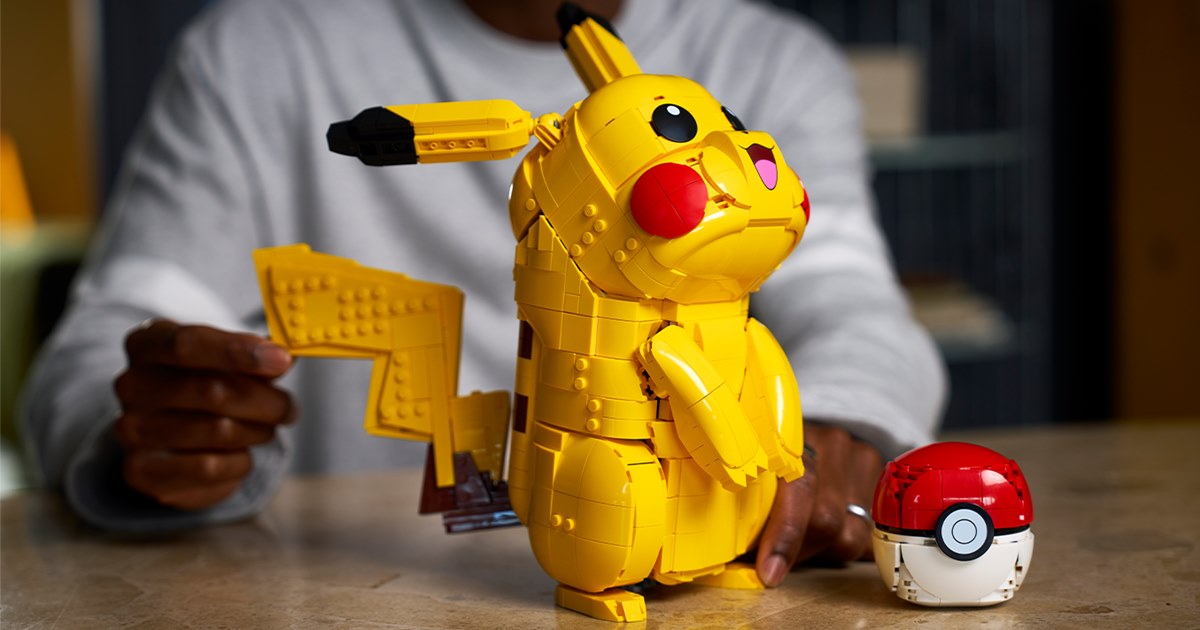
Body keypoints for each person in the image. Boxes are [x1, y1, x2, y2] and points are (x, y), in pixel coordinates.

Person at [20, 0, 945, 588]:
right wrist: (140, 432)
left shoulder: (771, 57)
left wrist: (836, 420)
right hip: (357, 586)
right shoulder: (257, 50)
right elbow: (110, 329)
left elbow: (851, 302)